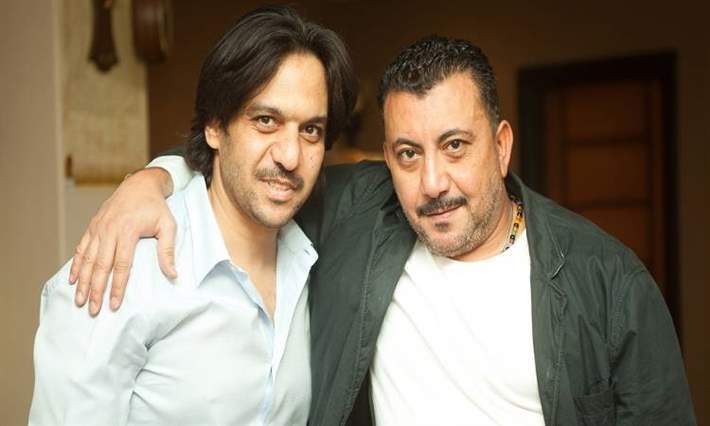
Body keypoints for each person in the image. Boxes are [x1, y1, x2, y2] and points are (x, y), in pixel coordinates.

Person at [69, 37, 695, 425]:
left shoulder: (607, 281)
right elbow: (256, 172)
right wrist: (152, 179)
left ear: (502, 146)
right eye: (408, 154)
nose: (433, 183)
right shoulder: (361, 210)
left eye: (456, 146)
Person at [29, 6, 356, 425]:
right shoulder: (121, 270)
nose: (290, 156)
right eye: (265, 121)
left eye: (310, 130)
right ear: (215, 127)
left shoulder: (312, 262)